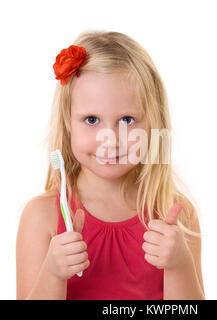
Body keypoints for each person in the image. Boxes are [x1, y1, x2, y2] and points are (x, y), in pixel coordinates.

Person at [16, 30, 205, 300]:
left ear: (153, 123)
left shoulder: (175, 215)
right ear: (68, 123)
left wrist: (179, 265)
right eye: (92, 120)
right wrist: (53, 273)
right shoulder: (41, 217)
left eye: (127, 120)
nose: (112, 140)